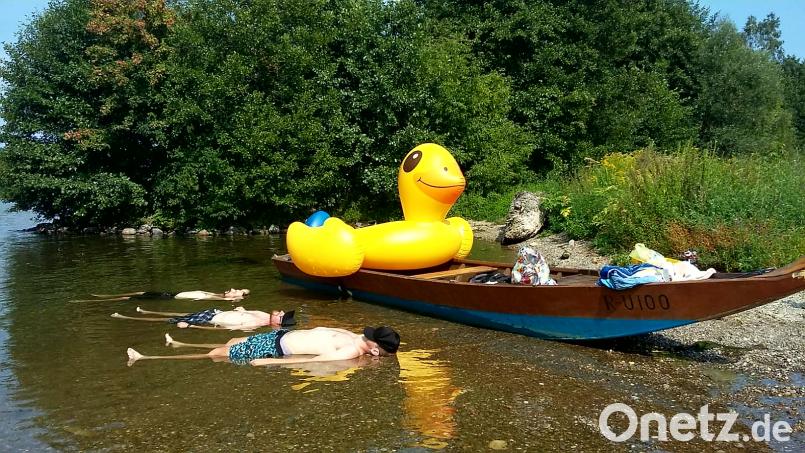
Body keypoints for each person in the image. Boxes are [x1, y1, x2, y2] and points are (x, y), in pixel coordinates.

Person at [126, 325, 401, 366]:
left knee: (217, 354)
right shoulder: (355, 338)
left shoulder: (352, 350)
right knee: (231, 341)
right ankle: (179, 342)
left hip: (274, 348)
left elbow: (312, 361)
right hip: (278, 335)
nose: (365, 336)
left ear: (374, 348)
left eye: (371, 338)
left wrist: (270, 362)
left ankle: (147, 358)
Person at [111, 306, 295, 330]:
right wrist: (242, 309)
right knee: (177, 314)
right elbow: (244, 311)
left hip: (209, 319)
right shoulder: (262, 314)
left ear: (277, 322)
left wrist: (190, 326)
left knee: (174, 320)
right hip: (214, 311)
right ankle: (145, 312)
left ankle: (127, 318)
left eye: (281, 315)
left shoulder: (253, 326)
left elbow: (224, 329)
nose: (279, 311)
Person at [71, 288, 250, 302]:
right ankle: (102, 296)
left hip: (170, 298)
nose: (232, 289)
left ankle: (86, 301)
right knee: (141, 291)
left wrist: (238, 296)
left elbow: (240, 296)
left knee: (131, 298)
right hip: (172, 293)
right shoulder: (216, 294)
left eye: (235, 291)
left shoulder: (216, 298)